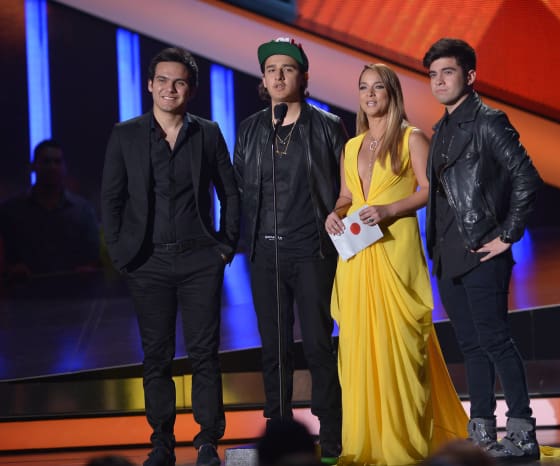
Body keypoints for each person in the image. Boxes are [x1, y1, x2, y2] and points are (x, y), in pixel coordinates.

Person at [101, 47, 238, 466]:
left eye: (178, 82)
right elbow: (111, 199)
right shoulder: (126, 134)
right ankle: (161, 441)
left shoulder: (208, 132)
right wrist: (124, 255)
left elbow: (230, 191)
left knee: (204, 354)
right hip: (148, 262)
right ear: (149, 85)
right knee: (156, 355)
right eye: (162, 80)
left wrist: (225, 246)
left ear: (191, 89)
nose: (169, 89)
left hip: (200, 260)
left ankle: (207, 441)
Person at [325, 63, 467, 465]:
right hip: (357, 255)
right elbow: (346, 194)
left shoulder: (411, 138)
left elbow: (428, 190)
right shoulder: (352, 146)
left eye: (378, 88)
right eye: (364, 88)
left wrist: (389, 209)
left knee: (403, 350)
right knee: (359, 350)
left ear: (392, 93)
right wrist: (334, 213)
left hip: (395, 250)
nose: (370, 95)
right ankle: (366, 442)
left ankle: (406, 444)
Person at [422, 38, 543, 460]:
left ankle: (523, 432)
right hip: (448, 254)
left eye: (448, 72)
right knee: (472, 346)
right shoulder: (441, 130)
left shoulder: (489, 121)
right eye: (433, 75)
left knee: (495, 341)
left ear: (470, 76)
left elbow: (528, 178)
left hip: (482, 250)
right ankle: (482, 433)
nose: (439, 81)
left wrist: (508, 234)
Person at [232, 37, 345, 463]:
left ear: (304, 76)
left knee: (318, 345)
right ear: (263, 79)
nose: (278, 77)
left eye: (288, 69)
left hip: (313, 251)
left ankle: (331, 435)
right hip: (265, 254)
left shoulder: (327, 126)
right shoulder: (251, 128)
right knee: (273, 348)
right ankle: (279, 434)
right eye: (271, 70)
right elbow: (239, 191)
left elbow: (345, 189)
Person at [0, 139, 99, 282]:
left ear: (65, 167)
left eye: (57, 161)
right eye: (46, 161)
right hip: (22, 297)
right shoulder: (10, 210)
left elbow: (92, 257)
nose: (52, 166)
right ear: (33, 166)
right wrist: (11, 269)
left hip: (74, 294)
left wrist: (88, 269)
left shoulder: (83, 210)